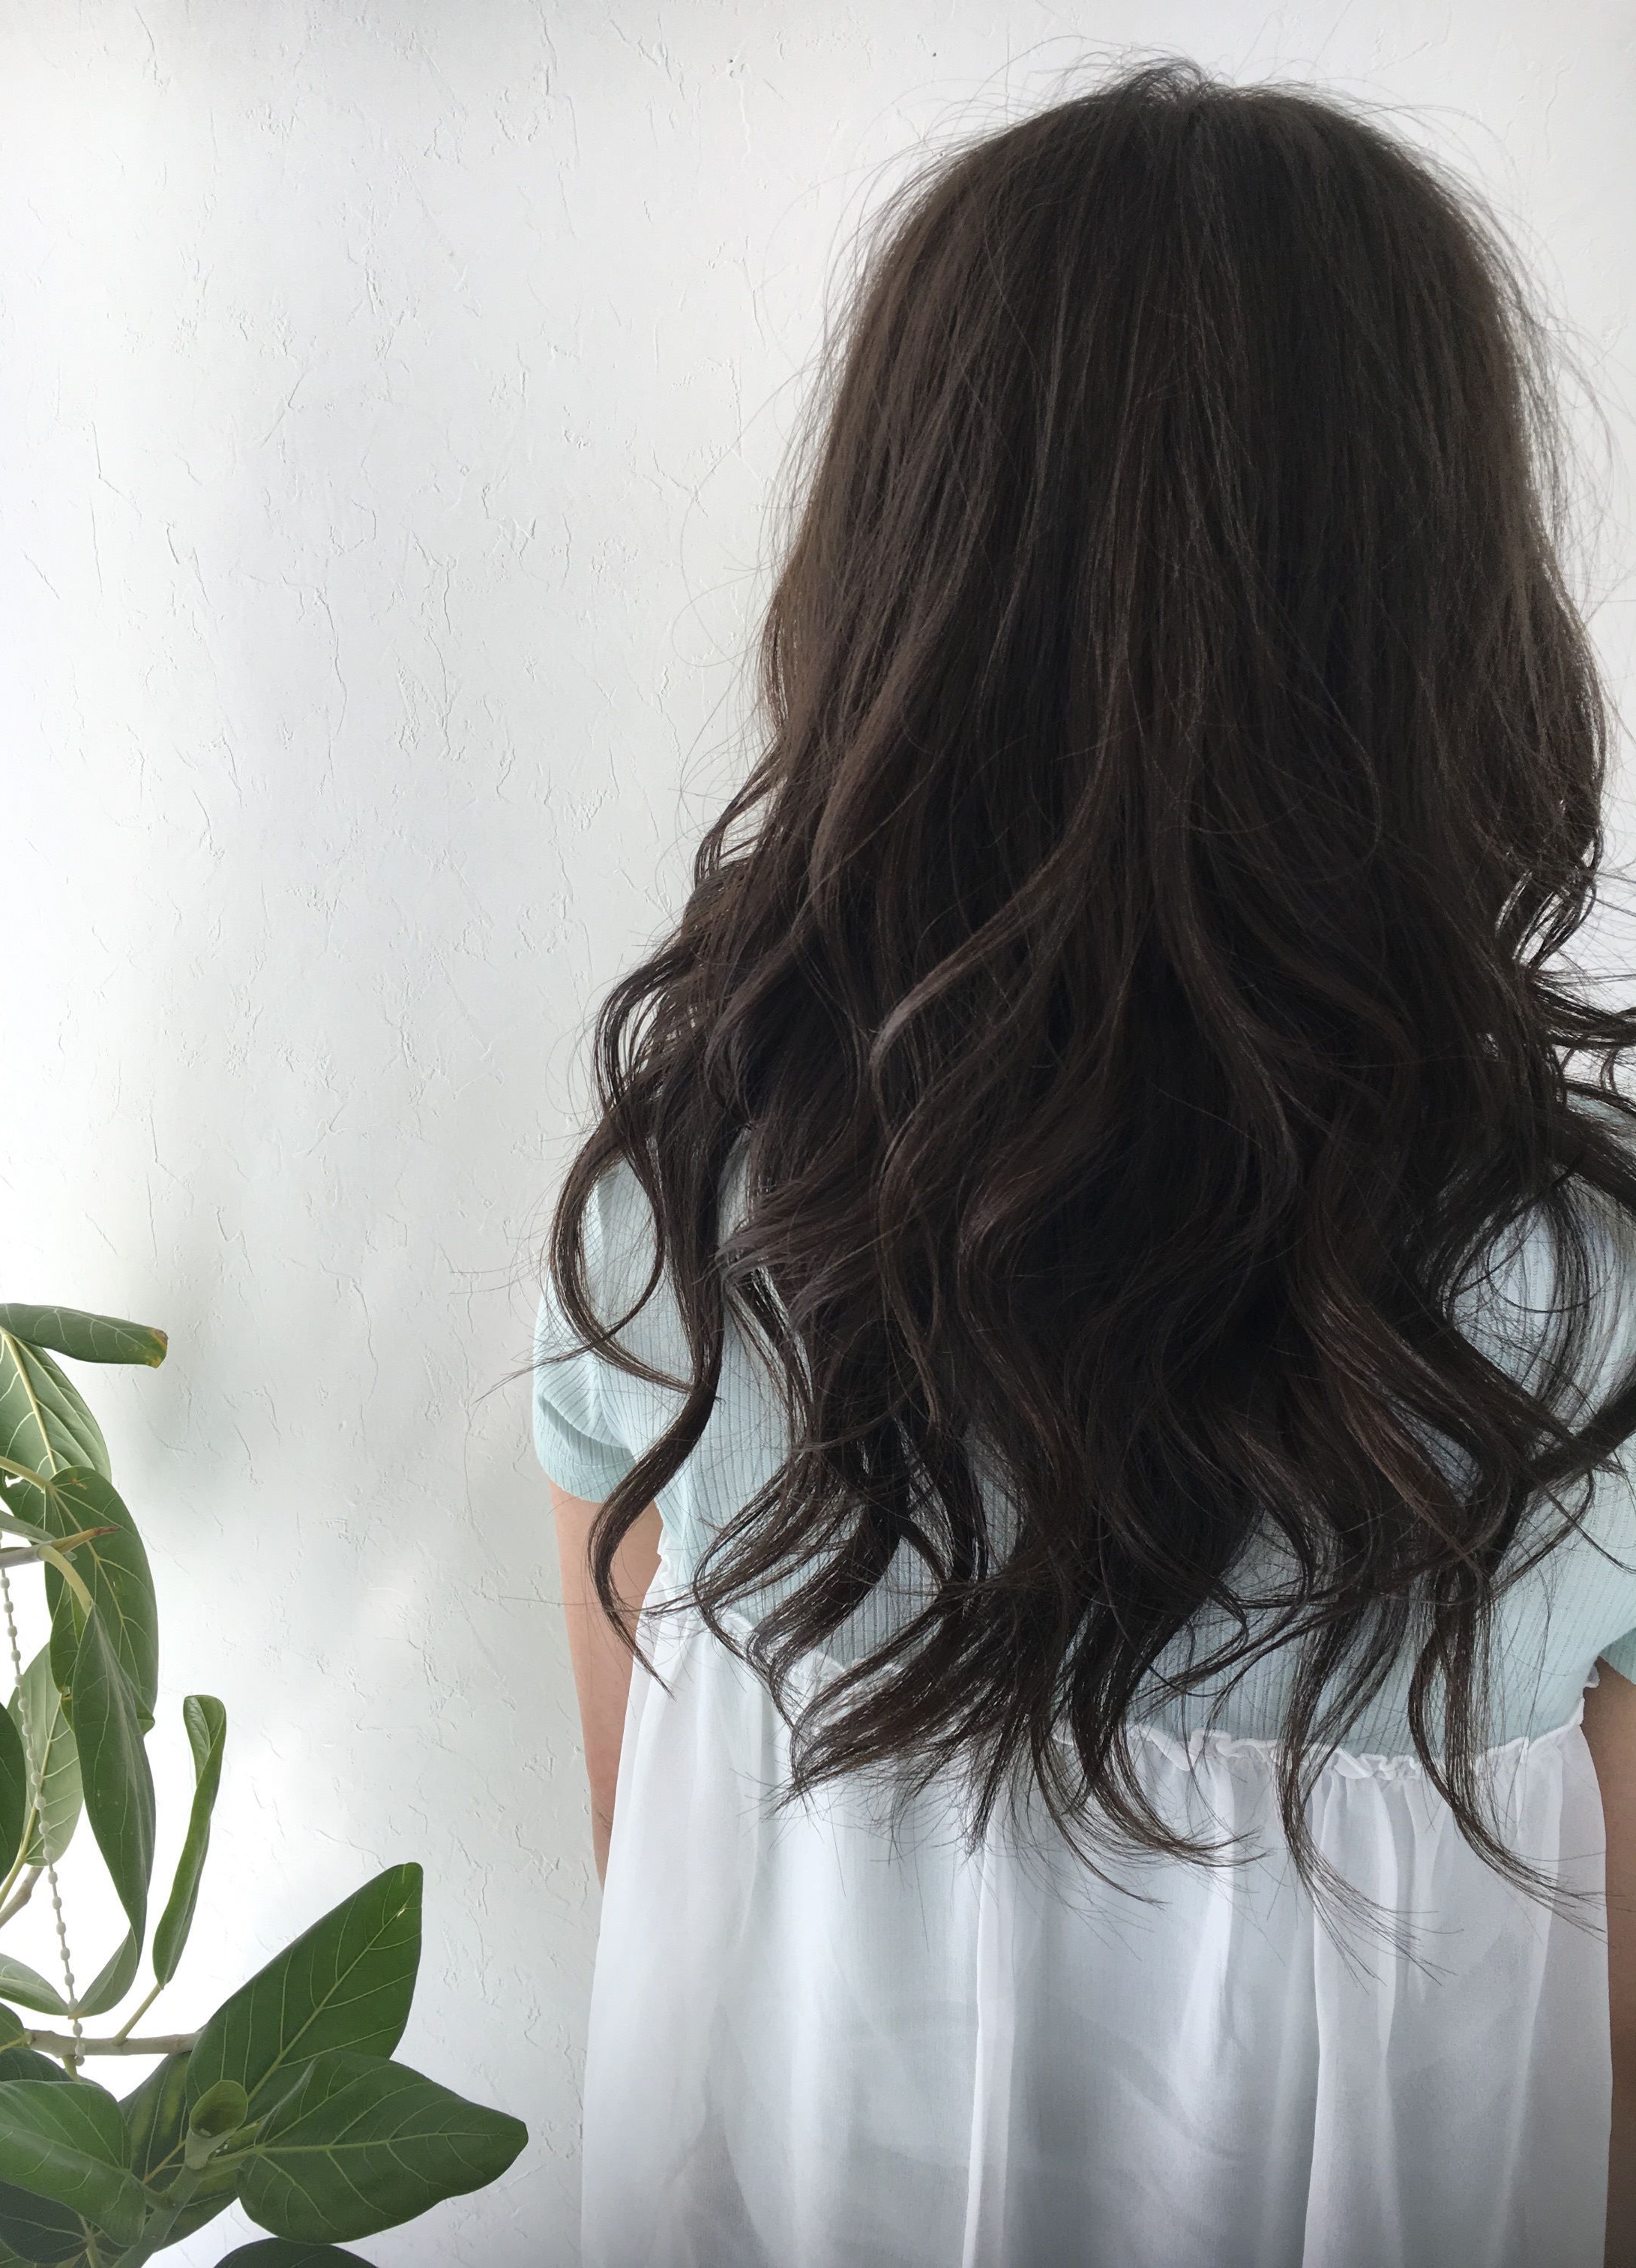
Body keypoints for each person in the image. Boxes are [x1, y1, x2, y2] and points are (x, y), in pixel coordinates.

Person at [529, 54, 1636, 2268]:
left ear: (894, 586)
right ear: (1447, 617)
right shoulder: (1578, 1315)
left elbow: (667, 1936)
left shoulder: (684, 1229)